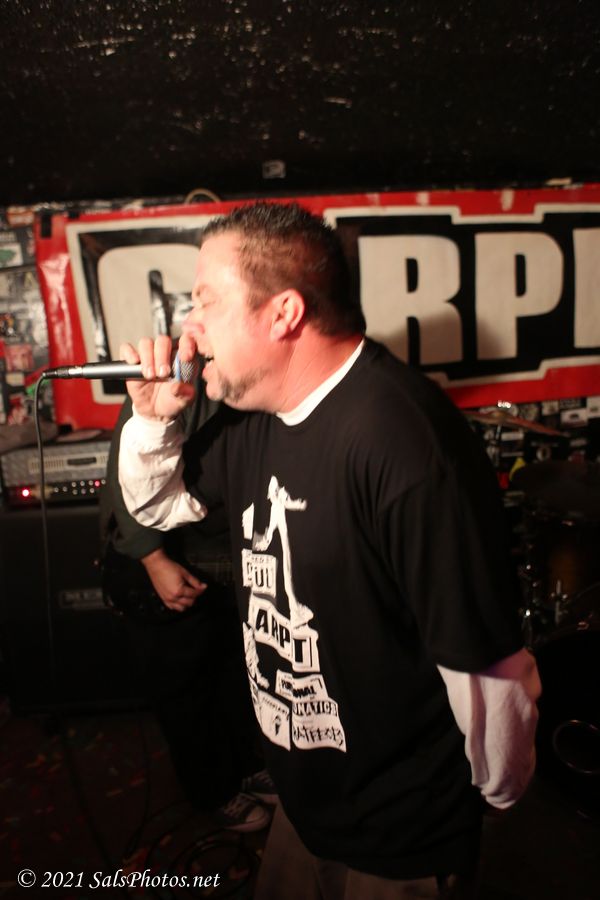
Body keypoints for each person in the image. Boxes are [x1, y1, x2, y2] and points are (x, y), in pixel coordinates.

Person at [117, 202, 541, 898]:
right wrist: (152, 419)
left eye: (206, 301)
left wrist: (495, 799)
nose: (188, 327)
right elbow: (156, 506)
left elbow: (483, 665)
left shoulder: (402, 441)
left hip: (403, 830)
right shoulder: (253, 418)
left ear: (283, 313)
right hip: (307, 802)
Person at [100, 378, 276, 832]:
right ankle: (213, 791)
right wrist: (153, 560)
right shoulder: (176, 378)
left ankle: (244, 768)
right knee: (185, 691)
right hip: (161, 560)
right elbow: (128, 477)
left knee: (233, 676)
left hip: (218, 563)